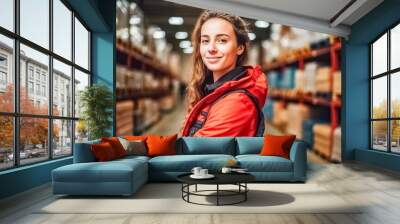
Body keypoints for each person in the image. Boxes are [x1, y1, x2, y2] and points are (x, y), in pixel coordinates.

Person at [180, 10, 268, 137]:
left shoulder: (237, 103)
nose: (211, 48)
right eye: (205, 41)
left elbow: (195, 152)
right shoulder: (211, 91)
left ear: (240, 48)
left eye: (222, 40)